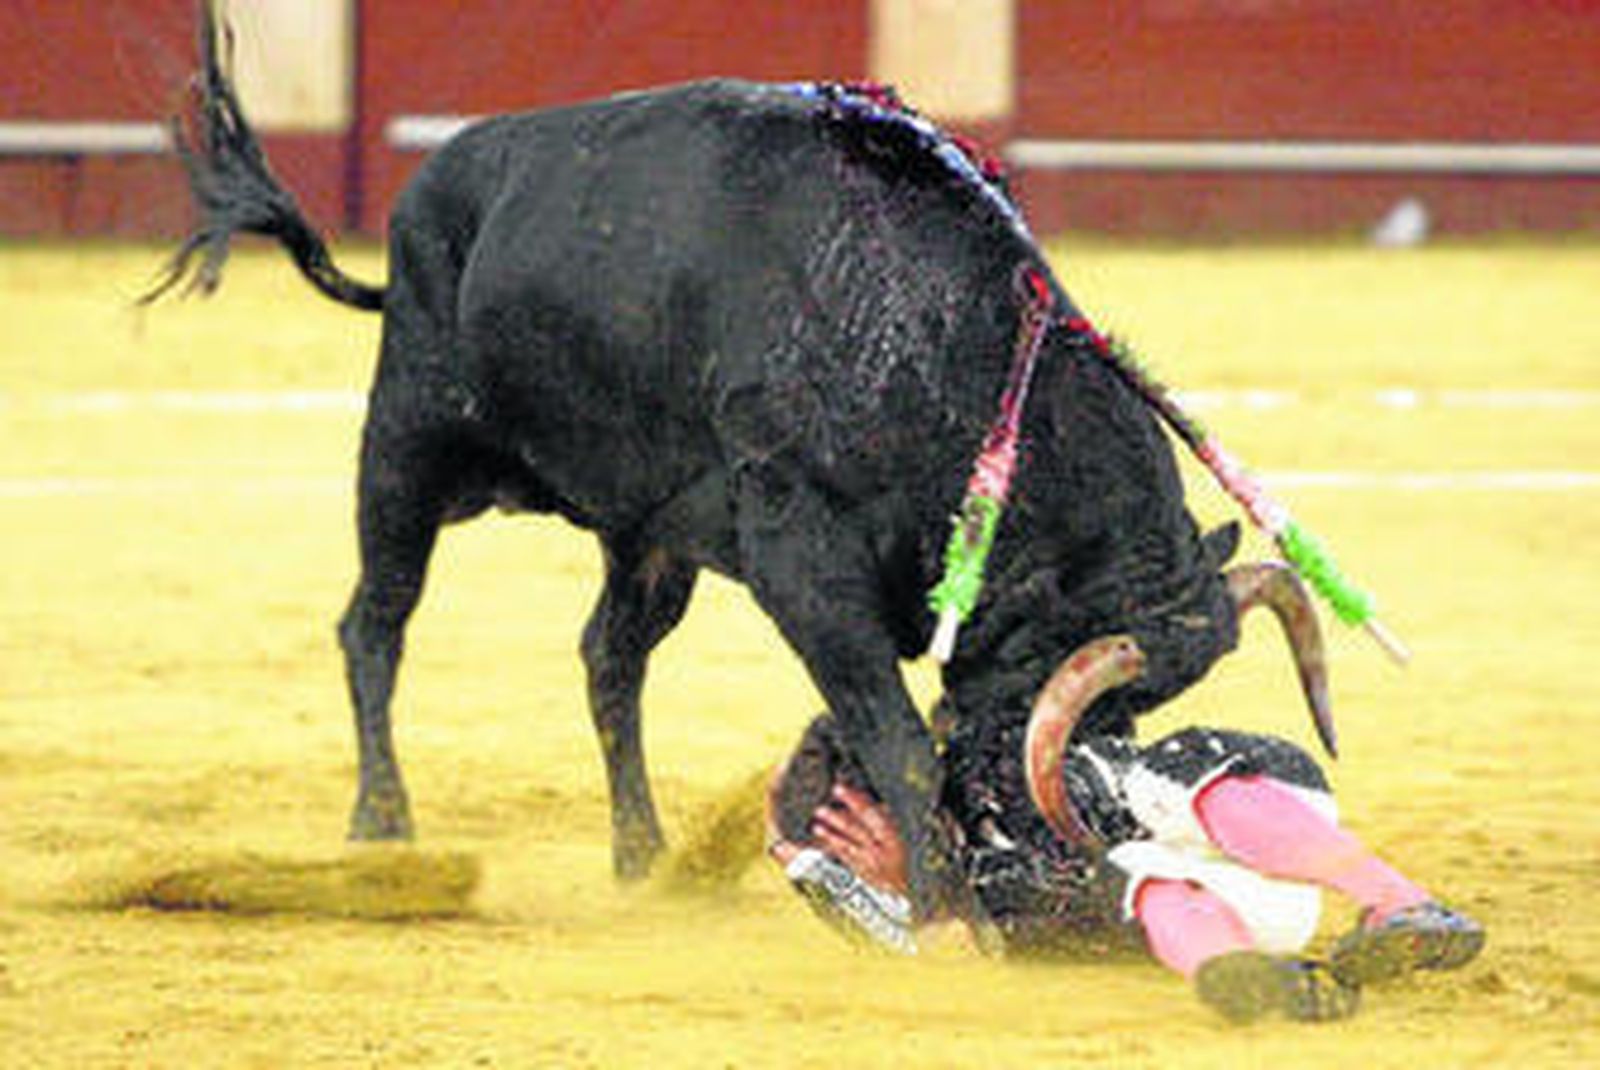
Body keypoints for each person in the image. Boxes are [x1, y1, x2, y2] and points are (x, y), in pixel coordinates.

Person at [766, 693, 1485, 1024]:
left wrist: (924, 876)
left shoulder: (987, 769)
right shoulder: (904, 898)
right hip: (1235, 915)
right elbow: (919, 938)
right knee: (1130, 873)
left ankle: (1397, 902)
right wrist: (924, 886)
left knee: (1168, 781)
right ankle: (1243, 974)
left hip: (1267, 816)